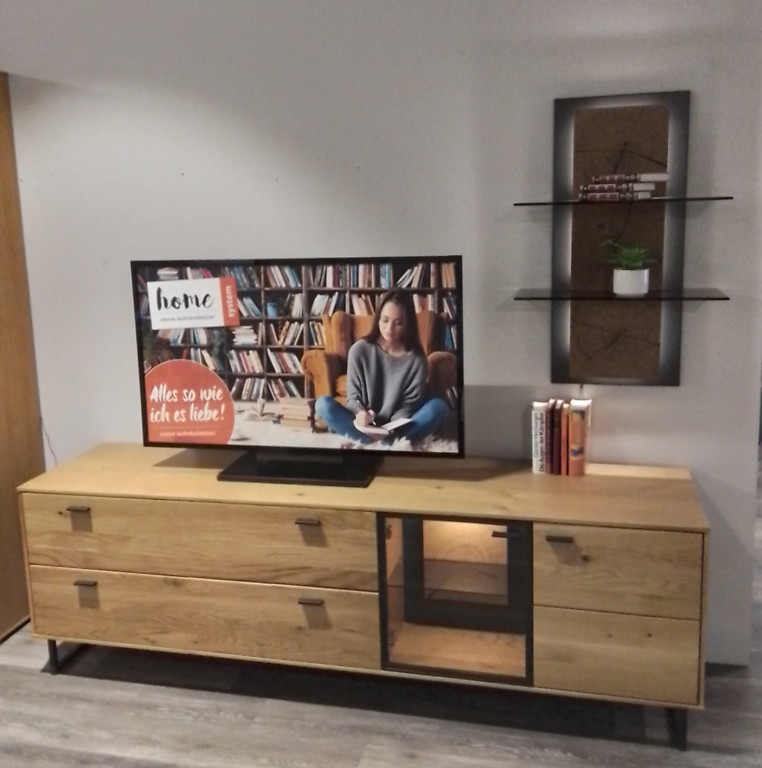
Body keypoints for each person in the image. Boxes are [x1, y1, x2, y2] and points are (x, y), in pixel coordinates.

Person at [314, 289, 449, 446]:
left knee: (439, 407)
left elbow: (408, 406)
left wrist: (391, 428)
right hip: (363, 425)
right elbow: (353, 397)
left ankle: (381, 441)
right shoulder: (359, 350)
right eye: (385, 320)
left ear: (408, 324)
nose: (389, 329)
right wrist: (360, 414)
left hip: (396, 427)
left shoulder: (417, 360)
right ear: (378, 318)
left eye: (398, 323)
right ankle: (386, 443)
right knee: (322, 404)